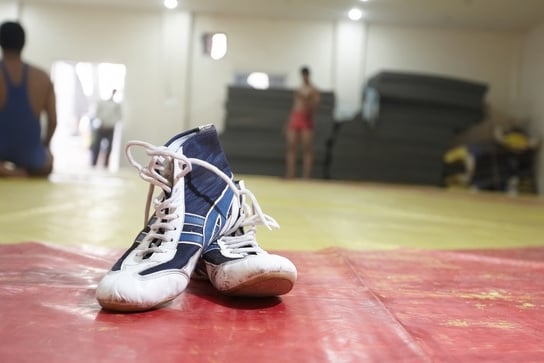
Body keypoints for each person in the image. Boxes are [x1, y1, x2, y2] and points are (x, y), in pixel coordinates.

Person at [0, 21, 57, 177]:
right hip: (32, 157)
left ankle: (7, 171)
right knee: (47, 161)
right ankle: (24, 171)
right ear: (24, 43)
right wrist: (44, 147)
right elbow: (53, 121)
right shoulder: (42, 77)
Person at [284, 66, 320, 179]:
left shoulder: (314, 90)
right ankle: (291, 174)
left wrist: (306, 99)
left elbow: (315, 107)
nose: (304, 77)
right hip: (296, 117)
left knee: (307, 149)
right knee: (291, 147)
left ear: (308, 75)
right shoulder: (298, 89)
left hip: (306, 118)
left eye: (305, 75)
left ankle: (306, 176)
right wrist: (288, 122)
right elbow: (294, 106)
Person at [90, 89, 121, 168]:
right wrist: (103, 122)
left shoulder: (117, 105)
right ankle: (93, 165)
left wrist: (111, 124)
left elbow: (119, 116)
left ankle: (106, 166)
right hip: (101, 127)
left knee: (109, 149)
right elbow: (97, 113)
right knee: (96, 147)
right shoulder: (101, 103)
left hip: (110, 128)